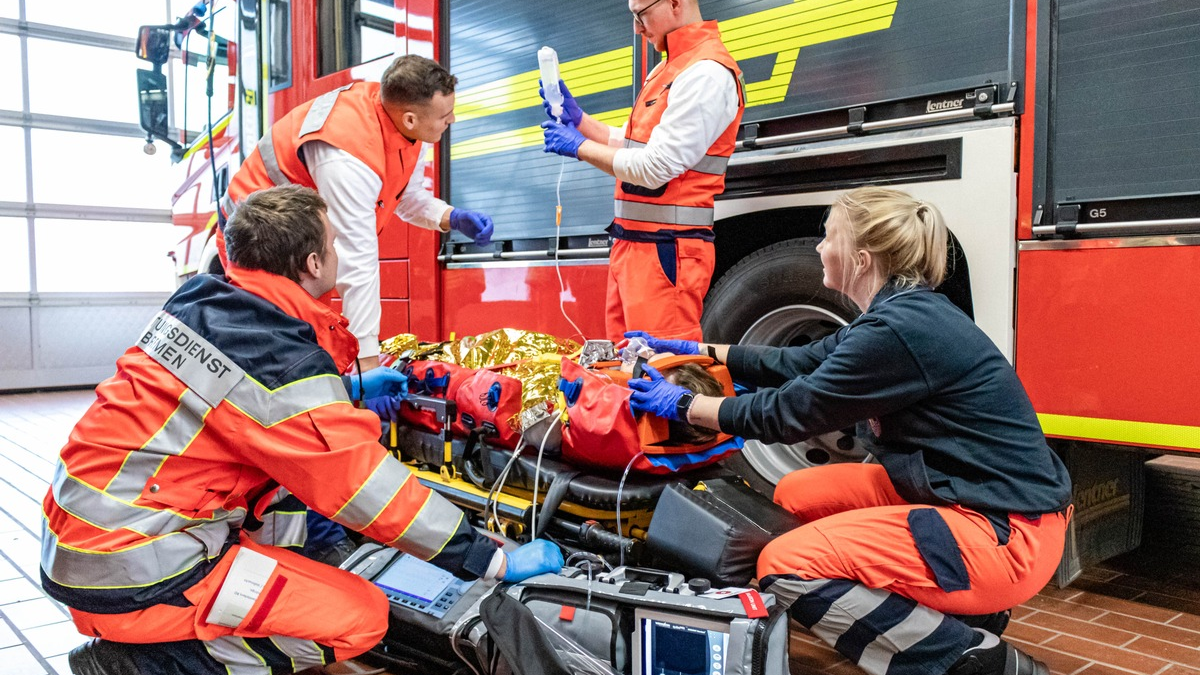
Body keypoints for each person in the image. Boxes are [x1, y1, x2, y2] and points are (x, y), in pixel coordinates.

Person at [45, 186, 562, 675]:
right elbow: (366, 488)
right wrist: (488, 558)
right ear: (314, 264)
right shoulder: (278, 359)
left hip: (86, 543)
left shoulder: (205, 305)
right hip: (137, 571)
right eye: (333, 245)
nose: (337, 254)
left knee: (289, 497)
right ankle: (141, 666)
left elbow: (239, 401)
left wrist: (339, 389)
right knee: (361, 617)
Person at [623, 187, 1071, 675]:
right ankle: (964, 606)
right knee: (796, 493)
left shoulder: (898, 331)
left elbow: (790, 413)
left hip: (1007, 537)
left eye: (827, 237)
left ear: (860, 258)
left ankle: (966, 658)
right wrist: (700, 351)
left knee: (785, 564)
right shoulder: (898, 314)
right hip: (965, 495)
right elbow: (795, 362)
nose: (819, 248)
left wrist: (686, 405)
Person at [219, 54, 495, 373]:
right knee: (279, 352)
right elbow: (357, 262)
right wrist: (367, 367)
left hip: (296, 241)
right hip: (259, 243)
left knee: (310, 341)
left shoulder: (404, 127)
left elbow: (406, 197)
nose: (453, 120)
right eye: (446, 115)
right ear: (409, 119)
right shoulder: (348, 155)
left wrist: (450, 217)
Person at [538, 0, 745, 343]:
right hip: (638, 248)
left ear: (675, 3)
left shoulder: (706, 72)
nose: (637, 27)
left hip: (666, 253)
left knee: (667, 372)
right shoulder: (670, 69)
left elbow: (656, 167)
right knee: (628, 367)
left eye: (640, 14)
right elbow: (633, 144)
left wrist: (578, 147)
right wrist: (581, 122)